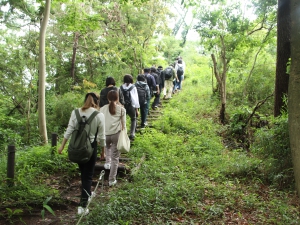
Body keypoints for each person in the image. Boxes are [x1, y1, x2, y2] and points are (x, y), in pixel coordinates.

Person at [58, 92, 105, 216]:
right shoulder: (99, 115)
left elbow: (69, 130)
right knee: (88, 176)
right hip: (91, 148)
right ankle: (83, 205)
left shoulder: (75, 112)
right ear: (97, 102)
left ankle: (87, 194)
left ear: (85, 100)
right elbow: (102, 137)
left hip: (77, 148)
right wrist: (102, 152)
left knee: (84, 174)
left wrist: (62, 146)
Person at [100, 90, 126, 187]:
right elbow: (124, 125)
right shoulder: (121, 109)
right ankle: (111, 180)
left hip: (105, 135)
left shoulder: (102, 109)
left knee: (107, 147)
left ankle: (107, 162)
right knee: (115, 158)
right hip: (116, 134)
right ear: (117, 98)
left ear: (107, 98)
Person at [120, 74, 140, 140]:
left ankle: (123, 133)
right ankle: (132, 134)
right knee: (133, 119)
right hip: (131, 105)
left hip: (123, 106)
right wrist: (137, 109)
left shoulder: (121, 87)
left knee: (122, 120)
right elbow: (135, 99)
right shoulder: (133, 87)